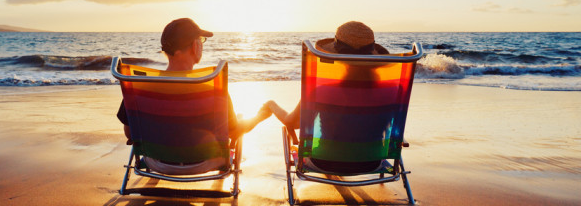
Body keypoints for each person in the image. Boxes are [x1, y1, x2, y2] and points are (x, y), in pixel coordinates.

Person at [117, 18, 271, 145]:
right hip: (203, 163)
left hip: (155, 161)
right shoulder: (213, 88)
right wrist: (258, 117)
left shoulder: (140, 87)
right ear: (195, 46)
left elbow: (130, 132)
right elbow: (233, 132)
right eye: (201, 40)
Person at [264, 21, 392, 173]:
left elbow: (293, 123)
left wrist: (272, 105)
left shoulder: (322, 91)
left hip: (323, 162)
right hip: (372, 163)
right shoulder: (390, 93)